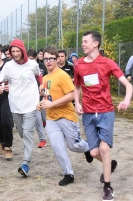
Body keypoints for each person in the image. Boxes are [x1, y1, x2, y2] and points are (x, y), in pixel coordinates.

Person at [74, 30, 133, 201]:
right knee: (93, 153)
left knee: (104, 148)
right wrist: (77, 103)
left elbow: (128, 86)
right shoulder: (78, 65)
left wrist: (127, 100)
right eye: (82, 41)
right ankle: (111, 164)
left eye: (86, 41)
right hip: (88, 114)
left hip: (106, 112)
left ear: (95, 43)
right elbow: (76, 87)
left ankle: (107, 187)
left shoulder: (107, 63)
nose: (83, 44)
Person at [36, 45, 93, 186]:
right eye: (46, 58)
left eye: (51, 58)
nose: (48, 61)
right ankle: (68, 173)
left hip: (66, 116)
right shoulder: (45, 78)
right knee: (57, 146)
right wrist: (41, 103)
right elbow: (47, 97)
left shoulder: (62, 75)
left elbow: (73, 95)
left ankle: (87, 148)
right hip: (51, 118)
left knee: (74, 146)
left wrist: (52, 104)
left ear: (57, 59)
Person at [0, 39, 42, 177]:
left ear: (23, 51)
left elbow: (39, 77)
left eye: (17, 51)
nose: (15, 54)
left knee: (27, 132)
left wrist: (42, 87)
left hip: (31, 104)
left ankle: (25, 163)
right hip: (15, 105)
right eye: (12, 51)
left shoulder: (32, 64)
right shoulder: (8, 66)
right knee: (22, 133)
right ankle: (26, 140)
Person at [27, 48, 47, 148]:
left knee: (45, 117)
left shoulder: (43, 67)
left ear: (36, 58)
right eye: (28, 59)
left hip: (43, 95)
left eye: (32, 59)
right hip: (32, 97)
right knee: (37, 119)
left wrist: (45, 91)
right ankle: (42, 139)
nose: (30, 61)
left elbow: (48, 80)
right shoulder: (25, 68)